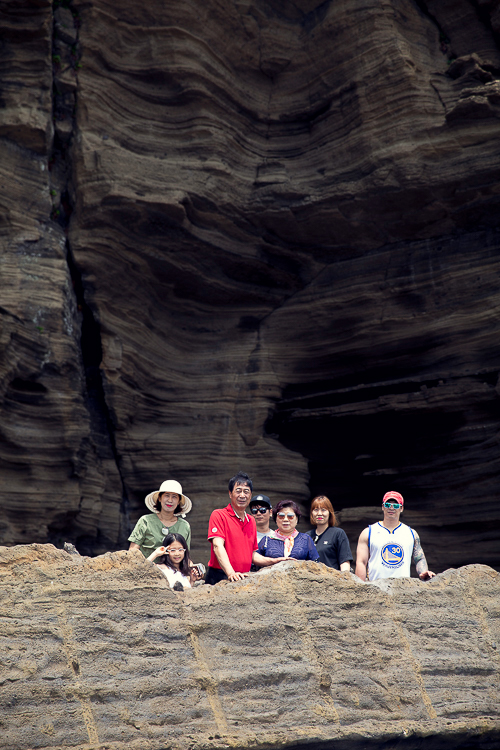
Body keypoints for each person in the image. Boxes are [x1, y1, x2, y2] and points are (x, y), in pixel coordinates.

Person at [206, 472, 284, 585]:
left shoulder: (251, 520)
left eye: (246, 492)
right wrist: (231, 573)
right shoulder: (219, 515)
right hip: (220, 576)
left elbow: (252, 555)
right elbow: (217, 546)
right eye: (238, 491)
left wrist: (274, 561)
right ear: (230, 494)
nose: (242, 495)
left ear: (250, 495)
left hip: (243, 576)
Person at [355, 491, 436, 581]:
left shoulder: (411, 533)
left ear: (401, 508)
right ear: (382, 507)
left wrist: (423, 572)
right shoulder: (369, 532)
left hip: (402, 587)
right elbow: (361, 562)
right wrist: (360, 585)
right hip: (375, 586)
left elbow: (419, 558)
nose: (391, 508)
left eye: (396, 505)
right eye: (387, 505)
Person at [128, 479, 192, 558]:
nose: (170, 500)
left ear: (179, 501)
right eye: (166, 495)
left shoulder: (184, 526)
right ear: (159, 498)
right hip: (147, 565)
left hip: (174, 566)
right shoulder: (146, 521)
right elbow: (132, 551)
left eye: (174, 497)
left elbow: (186, 556)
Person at [256, 500, 320, 563]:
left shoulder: (306, 539)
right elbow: (255, 562)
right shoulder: (266, 540)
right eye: (281, 516)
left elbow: (315, 564)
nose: (285, 519)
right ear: (276, 519)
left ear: (296, 519)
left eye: (290, 516)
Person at [305, 495, 353, 571]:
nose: (319, 513)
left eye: (323, 510)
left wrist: (345, 576)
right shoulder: (307, 536)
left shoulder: (338, 533)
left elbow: (344, 561)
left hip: (332, 577)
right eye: (316, 510)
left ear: (329, 513)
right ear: (312, 513)